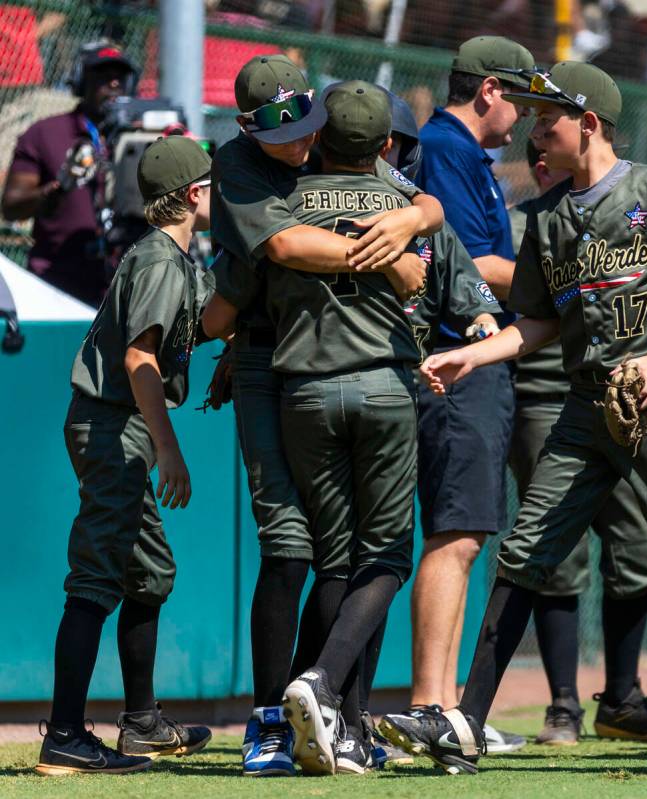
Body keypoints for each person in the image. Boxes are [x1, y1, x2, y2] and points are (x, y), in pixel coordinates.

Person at [381, 61, 647, 778]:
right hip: (583, 409)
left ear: (588, 123)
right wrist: (470, 357)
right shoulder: (542, 218)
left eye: (548, 119)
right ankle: (466, 722)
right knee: (524, 550)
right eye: (533, 118)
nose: (535, 133)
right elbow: (536, 321)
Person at [202, 54, 443, 778]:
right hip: (263, 362)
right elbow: (277, 247)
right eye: (284, 133)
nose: (300, 144)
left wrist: (412, 215)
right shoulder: (239, 162)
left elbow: (425, 206)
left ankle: (332, 711)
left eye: (308, 125)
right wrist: (384, 256)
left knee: (337, 552)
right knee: (291, 548)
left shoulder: (329, 160)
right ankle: (269, 721)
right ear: (247, 125)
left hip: (306, 364)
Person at [35, 136, 214, 776]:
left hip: (115, 423)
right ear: (196, 193)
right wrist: (169, 449)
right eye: (212, 183)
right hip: (116, 424)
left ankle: (140, 723)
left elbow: (206, 319)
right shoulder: (162, 260)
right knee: (96, 576)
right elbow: (140, 359)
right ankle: (63, 735)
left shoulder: (169, 255)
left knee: (150, 570)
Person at [509, 141, 647, 745]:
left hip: (623, 396)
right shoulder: (531, 218)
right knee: (553, 554)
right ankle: (560, 707)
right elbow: (489, 272)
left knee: (636, 548)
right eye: (534, 152)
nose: (543, 160)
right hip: (544, 394)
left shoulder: (636, 200)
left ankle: (624, 699)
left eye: (549, 145)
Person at [398, 34, 534, 754]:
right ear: (489, 90)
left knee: (464, 534)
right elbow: (472, 260)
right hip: (455, 359)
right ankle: (430, 703)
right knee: (454, 534)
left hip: (471, 360)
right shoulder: (445, 149)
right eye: (521, 94)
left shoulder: (461, 152)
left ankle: (444, 707)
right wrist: (567, 280)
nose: (527, 112)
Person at [2, 40, 138, 307]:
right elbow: (12, 206)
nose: (113, 85)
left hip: (124, 284)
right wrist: (57, 188)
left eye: (119, 78)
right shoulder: (45, 132)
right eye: (103, 76)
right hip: (57, 283)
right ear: (80, 80)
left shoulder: (141, 136)